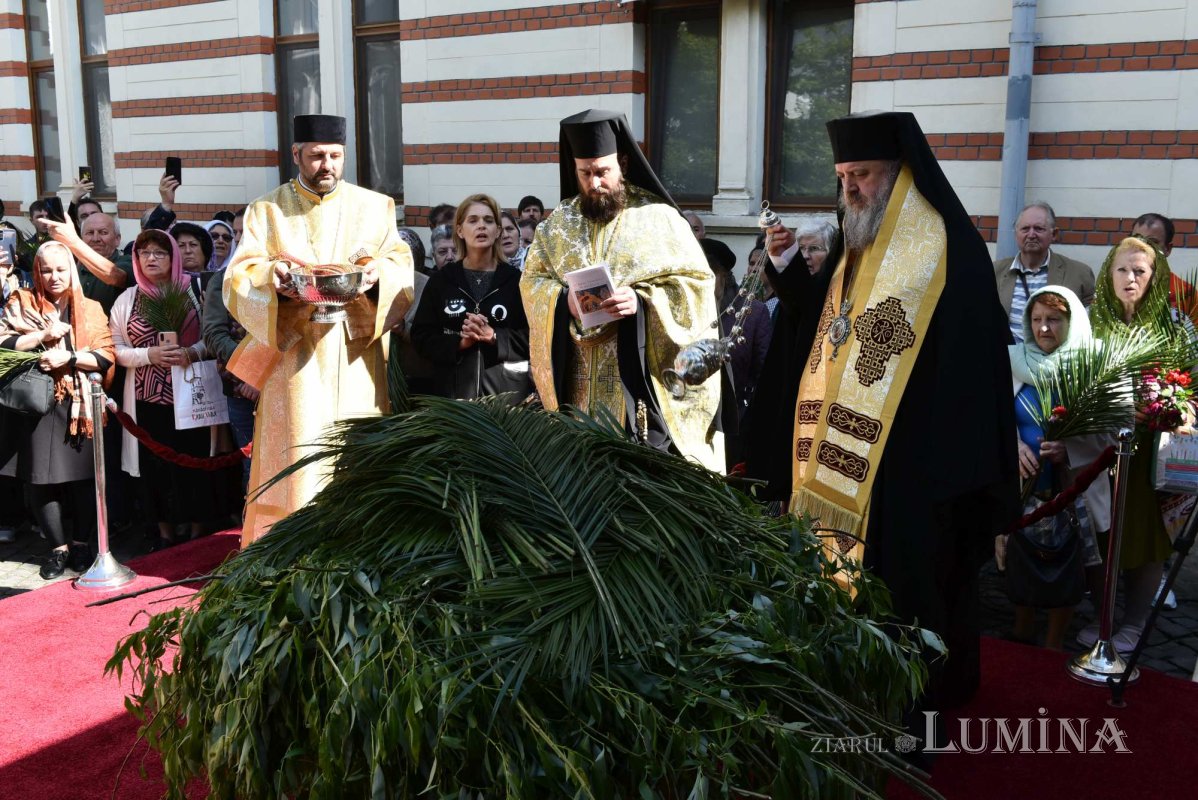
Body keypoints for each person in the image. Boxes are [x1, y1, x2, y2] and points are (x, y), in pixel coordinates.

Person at [760, 111, 1018, 710]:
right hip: (851, 462)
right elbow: (827, 333)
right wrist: (787, 271)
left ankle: (910, 715)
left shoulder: (943, 243)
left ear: (898, 175)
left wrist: (935, 460)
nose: (850, 188)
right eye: (843, 175)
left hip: (917, 464)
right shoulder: (860, 243)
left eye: (864, 175)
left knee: (913, 595)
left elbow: (968, 362)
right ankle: (851, 690)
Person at [223, 114, 412, 546]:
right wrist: (277, 277)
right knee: (300, 456)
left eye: (334, 156)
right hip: (297, 362)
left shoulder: (375, 206)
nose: (326, 164)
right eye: (315, 156)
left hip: (356, 355)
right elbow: (238, 279)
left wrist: (373, 276)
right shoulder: (266, 210)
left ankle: (359, 551)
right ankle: (289, 551)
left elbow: (400, 265)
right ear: (296, 155)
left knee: (355, 454)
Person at [520, 109, 722, 472]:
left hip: (637, 382)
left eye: (602, 172)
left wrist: (643, 302)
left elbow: (696, 285)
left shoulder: (659, 218)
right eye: (585, 173)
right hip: (576, 383)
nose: (594, 183)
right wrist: (561, 300)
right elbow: (532, 281)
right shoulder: (557, 225)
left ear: (623, 163)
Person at [1081, 236, 1190, 654]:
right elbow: (1071, 379)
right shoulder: (1090, 321)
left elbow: (1190, 385)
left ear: (1154, 276)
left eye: (1140, 271)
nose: (1130, 278)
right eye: (1122, 269)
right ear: (1109, 274)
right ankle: (1102, 614)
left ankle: (1136, 619)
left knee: (1146, 537)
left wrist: (1174, 407)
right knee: (1100, 534)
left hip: (1151, 454)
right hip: (1096, 449)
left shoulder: (1176, 325)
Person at [1, 242, 115, 578]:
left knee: (82, 481)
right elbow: (4, 343)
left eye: (61, 269)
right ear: (37, 271)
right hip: (34, 404)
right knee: (40, 480)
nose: (53, 276)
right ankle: (57, 549)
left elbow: (106, 355)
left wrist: (70, 358)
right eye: (47, 269)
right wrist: (42, 335)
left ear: (72, 271)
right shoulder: (20, 301)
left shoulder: (90, 307)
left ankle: (81, 545)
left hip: (78, 407)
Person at [1005, 286, 1108, 650]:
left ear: (1072, 321)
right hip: (1024, 484)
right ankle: (1021, 629)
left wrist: (1071, 449)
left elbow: (1115, 430)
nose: (1043, 329)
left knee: (1067, 558)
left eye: (1053, 320)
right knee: (1021, 556)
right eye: (1036, 320)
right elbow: (995, 415)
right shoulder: (1013, 361)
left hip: (1070, 486)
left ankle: (1053, 640)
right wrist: (1013, 445)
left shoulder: (1093, 365)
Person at [110, 229, 214, 549]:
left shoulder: (195, 291)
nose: (151, 258)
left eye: (160, 252)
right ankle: (165, 532)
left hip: (191, 394)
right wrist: (148, 356)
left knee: (194, 461)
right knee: (154, 467)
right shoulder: (127, 299)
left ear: (173, 257)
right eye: (145, 253)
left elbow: (214, 335)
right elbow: (115, 347)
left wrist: (191, 353)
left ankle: (198, 528)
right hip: (146, 399)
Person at [411, 195, 531, 402]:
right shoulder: (441, 281)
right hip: (453, 399)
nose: (481, 226)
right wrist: (459, 343)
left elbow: (535, 339)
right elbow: (421, 337)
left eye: (488, 220)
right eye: (473, 220)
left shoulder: (517, 282)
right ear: (460, 230)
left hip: (506, 400)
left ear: (498, 231)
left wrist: (495, 336)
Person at [993, 202, 1095, 342]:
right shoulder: (995, 272)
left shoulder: (1079, 274)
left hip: (1054, 361)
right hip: (1006, 360)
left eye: (1039, 228)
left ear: (1054, 234)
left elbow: (1089, 328)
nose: (1031, 234)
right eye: (1025, 229)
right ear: (1016, 234)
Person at [41, 212, 132, 314]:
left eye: (103, 232)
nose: (95, 239)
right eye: (90, 233)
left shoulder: (127, 261)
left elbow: (114, 276)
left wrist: (73, 241)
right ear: (82, 238)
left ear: (117, 239)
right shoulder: (71, 266)